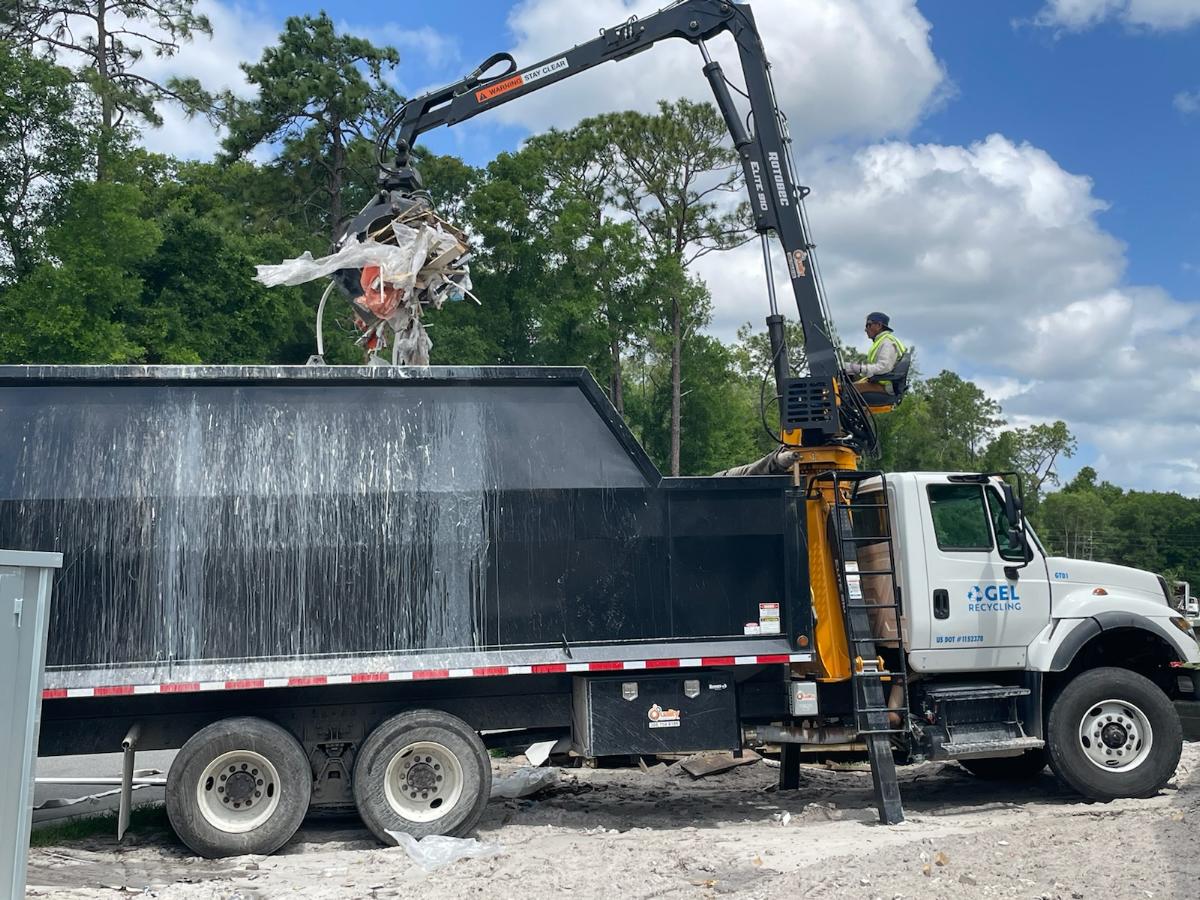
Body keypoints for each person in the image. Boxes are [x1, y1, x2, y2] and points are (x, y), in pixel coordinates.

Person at [844, 312, 906, 406]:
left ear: (879, 325)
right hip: (880, 384)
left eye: (868, 325)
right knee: (843, 388)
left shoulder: (887, 343)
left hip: (885, 388)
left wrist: (860, 368)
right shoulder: (881, 342)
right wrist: (853, 369)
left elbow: (883, 367)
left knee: (844, 393)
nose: (865, 329)